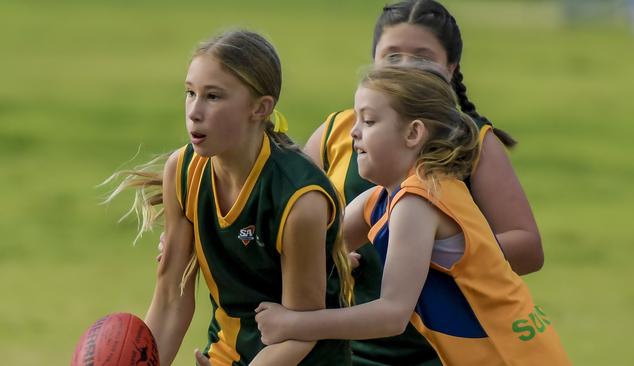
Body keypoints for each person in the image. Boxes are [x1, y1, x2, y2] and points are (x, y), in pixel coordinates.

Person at [255, 65, 571, 366]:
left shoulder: (418, 201)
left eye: (368, 121)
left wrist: (295, 324)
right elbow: (302, 252)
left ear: (413, 133)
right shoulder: (382, 199)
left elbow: (392, 315)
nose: (353, 132)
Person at [301, 1, 543, 364]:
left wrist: (426, 250)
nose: (406, 67)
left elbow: (528, 248)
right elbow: (293, 233)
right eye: (392, 56)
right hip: (345, 342)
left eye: (422, 57)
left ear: (450, 68)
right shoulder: (341, 132)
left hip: (443, 351)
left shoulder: (471, 143)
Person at [107, 29, 353, 366]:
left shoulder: (299, 199)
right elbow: (170, 301)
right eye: (189, 93)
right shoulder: (182, 171)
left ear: (260, 108)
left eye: (213, 97)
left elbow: (301, 331)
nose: (194, 111)